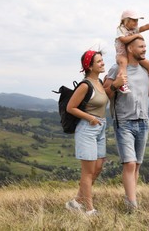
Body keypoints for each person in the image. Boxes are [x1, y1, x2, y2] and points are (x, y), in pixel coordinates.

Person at [104, 36, 149, 212]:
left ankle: (130, 199)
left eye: (145, 46)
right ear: (130, 49)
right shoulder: (116, 69)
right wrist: (116, 84)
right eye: (141, 46)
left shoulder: (146, 70)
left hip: (143, 121)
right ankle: (132, 205)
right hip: (123, 121)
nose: (145, 49)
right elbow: (105, 93)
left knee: (136, 164)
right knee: (129, 164)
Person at [65, 50, 109, 216]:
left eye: (102, 60)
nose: (102, 63)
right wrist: (90, 118)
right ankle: (90, 210)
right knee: (88, 172)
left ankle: (75, 202)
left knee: (97, 169)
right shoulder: (85, 85)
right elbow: (71, 107)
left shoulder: (99, 82)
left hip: (100, 128)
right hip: (87, 129)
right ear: (89, 66)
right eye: (99, 61)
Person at [114, 9, 149, 94]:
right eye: (134, 20)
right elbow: (123, 40)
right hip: (122, 54)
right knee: (123, 63)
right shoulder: (121, 29)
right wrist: (136, 35)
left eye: (137, 20)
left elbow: (145, 27)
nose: (136, 22)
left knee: (148, 64)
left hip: (133, 55)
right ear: (126, 21)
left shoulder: (134, 30)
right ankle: (123, 84)